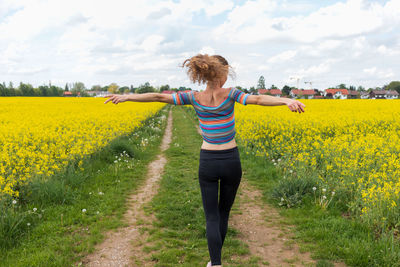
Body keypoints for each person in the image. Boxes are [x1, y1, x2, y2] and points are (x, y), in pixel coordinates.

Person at [104, 54, 305, 267]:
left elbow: (159, 97)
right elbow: (257, 99)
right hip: (231, 160)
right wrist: (286, 100)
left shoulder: (193, 97)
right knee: (223, 213)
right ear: (223, 73)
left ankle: (215, 264)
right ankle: (215, 260)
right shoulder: (231, 94)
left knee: (211, 217)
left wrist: (128, 97)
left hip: (208, 161)